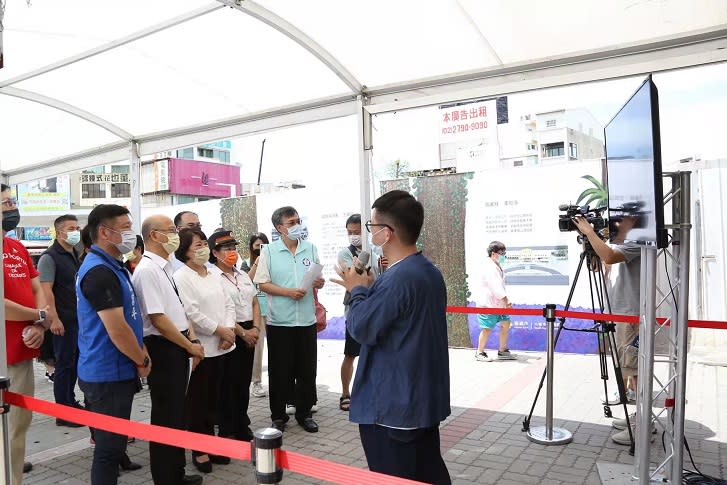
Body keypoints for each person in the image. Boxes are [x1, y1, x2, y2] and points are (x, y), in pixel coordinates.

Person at [331, 190, 451, 485]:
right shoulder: (427, 271)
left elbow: (361, 329)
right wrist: (370, 288)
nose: (367, 235)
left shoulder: (398, 278)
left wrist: (357, 289)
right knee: (427, 472)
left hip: (393, 406)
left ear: (387, 233)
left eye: (371, 227)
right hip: (420, 399)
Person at [75, 204, 151, 485]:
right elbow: (117, 329)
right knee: (108, 450)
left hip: (116, 368)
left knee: (115, 444)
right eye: (126, 228)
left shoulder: (111, 265)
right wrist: (141, 359)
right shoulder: (98, 272)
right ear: (105, 232)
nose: (131, 234)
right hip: (107, 372)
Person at [132, 215, 205, 485]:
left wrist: (189, 343)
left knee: (176, 414)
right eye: (172, 230)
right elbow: (158, 319)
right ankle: (166, 477)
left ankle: (176, 472)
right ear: (154, 235)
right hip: (164, 348)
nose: (176, 235)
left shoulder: (163, 267)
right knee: (166, 416)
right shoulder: (148, 269)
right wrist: (189, 346)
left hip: (177, 345)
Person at [253, 206, 325, 433]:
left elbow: (317, 277)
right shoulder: (270, 251)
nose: (297, 226)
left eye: (298, 220)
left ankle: (304, 413)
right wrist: (287, 292)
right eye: (292, 222)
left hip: (306, 320)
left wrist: (318, 282)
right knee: (279, 371)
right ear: (279, 228)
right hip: (279, 322)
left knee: (306, 370)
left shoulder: (310, 248)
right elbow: (261, 283)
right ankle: (278, 416)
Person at [574, 215, 643, 445]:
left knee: (634, 369)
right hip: (618, 312)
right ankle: (638, 417)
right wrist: (588, 239)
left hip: (630, 313)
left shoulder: (637, 240)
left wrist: (589, 231)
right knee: (627, 367)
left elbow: (609, 257)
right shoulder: (620, 242)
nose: (611, 224)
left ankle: (642, 425)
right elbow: (599, 265)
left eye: (617, 221)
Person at [173, 228, 236, 474]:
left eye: (203, 244)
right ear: (185, 251)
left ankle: (212, 443)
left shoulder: (212, 274)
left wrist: (229, 330)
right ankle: (199, 450)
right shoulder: (182, 276)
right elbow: (191, 313)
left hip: (223, 346)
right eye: (197, 245)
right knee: (199, 403)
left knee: (216, 400)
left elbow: (228, 303)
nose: (202, 249)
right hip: (202, 349)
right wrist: (220, 330)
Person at [1, 184, 52, 484]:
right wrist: (40, 316)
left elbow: (37, 289)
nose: (11, 208)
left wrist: (39, 326)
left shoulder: (16, 247)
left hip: (20, 355)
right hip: (2, 356)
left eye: (12, 202)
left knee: (17, 428)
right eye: (5, 204)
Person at [209, 230, 262, 442]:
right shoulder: (212, 276)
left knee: (242, 382)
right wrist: (242, 333)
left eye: (234, 248)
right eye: (227, 249)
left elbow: (255, 301)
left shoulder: (241, 274)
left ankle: (242, 423)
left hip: (251, 330)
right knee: (227, 383)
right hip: (230, 332)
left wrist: (256, 329)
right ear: (214, 252)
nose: (232, 252)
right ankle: (226, 426)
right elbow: (221, 309)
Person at [37, 214, 84, 427]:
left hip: (77, 319)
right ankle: (62, 412)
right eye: (71, 228)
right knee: (63, 365)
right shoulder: (50, 257)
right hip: (62, 321)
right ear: (59, 232)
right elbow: (46, 290)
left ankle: (71, 402)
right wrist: (54, 319)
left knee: (73, 363)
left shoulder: (74, 252)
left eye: (77, 227)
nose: (76, 231)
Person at [336, 214, 381, 412]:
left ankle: (373, 392)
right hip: (355, 310)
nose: (353, 236)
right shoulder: (345, 253)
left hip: (376, 309)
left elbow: (377, 279)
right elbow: (355, 275)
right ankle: (346, 393)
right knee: (351, 354)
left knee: (374, 355)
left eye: (357, 232)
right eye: (350, 232)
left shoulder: (377, 251)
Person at [475, 241, 517, 362]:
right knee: (487, 328)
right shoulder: (489, 267)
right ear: (493, 253)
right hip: (488, 304)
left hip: (498, 305)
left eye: (504, 252)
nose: (504, 255)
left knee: (506, 323)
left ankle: (502, 351)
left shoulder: (496, 265)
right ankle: (479, 352)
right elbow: (495, 286)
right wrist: (506, 300)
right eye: (501, 252)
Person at [241, 233, 269, 399]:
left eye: (263, 245)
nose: (259, 248)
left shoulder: (273, 261)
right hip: (257, 312)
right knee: (257, 349)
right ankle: (256, 382)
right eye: (256, 245)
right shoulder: (245, 263)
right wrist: (257, 263)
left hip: (273, 310)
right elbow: (246, 281)